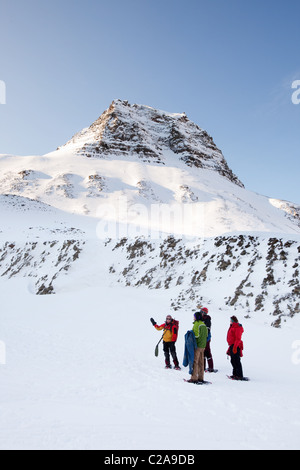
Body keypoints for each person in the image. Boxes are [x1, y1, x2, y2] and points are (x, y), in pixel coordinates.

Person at [186, 311, 208, 383]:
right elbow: (206, 335)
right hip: (203, 346)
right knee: (201, 363)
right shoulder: (204, 325)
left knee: (195, 362)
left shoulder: (197, 324)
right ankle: (201, 377)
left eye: (194, 316)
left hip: (197, 346)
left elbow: (196, 335)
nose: (193, 318)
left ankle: (194, 378)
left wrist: (190, 334)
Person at [197, 306, 215, 372]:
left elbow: (207, 329)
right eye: (200, 312)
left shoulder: (207, 319)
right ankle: (203, 367)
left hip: (206, 338)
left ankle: (210, 367)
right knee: (203, 352)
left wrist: (204, 336)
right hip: (201, 338)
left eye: (202, 312)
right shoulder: (200, 319)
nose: (201, 313)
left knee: (207, 351)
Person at [227, 316, 244, 380]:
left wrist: (235, 347)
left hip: (236, 346)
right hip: (232, 345)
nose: (230, 322)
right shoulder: (232, 326)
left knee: (237, 360)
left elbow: (238, 338)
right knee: (233, 360)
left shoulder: (237, 327)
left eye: (231, 320)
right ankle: (235, 374)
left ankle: (239, 375)